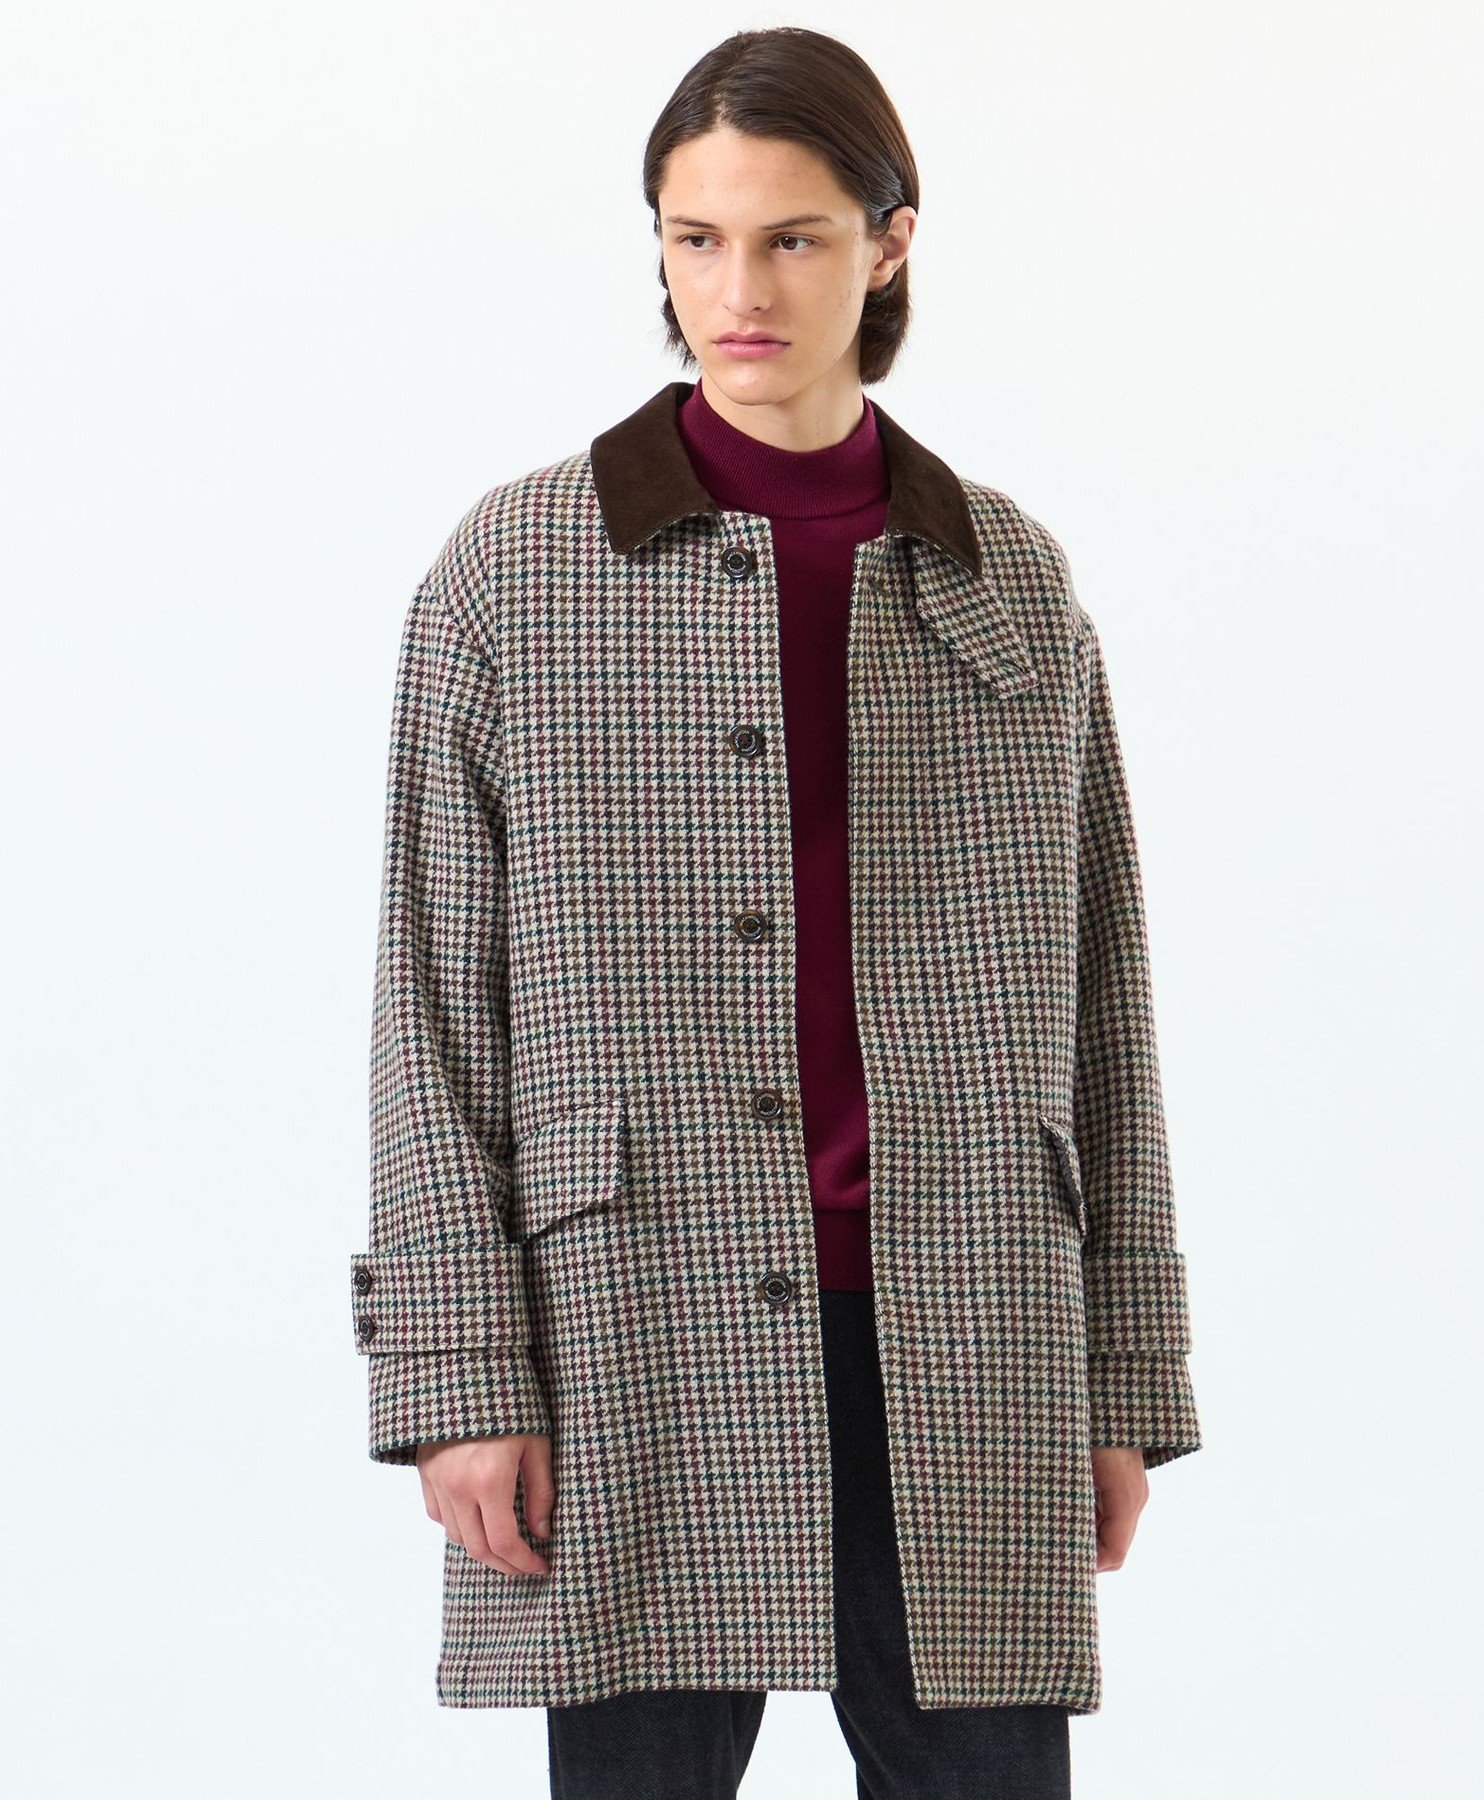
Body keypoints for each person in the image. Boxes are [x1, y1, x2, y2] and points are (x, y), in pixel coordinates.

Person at [349, 26, 1202, 1800]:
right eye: (697, 238)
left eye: (792, 238)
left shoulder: (1009, 580)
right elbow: (431, 1004)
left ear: (890, 243)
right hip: (634, 1324)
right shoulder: (520, 572)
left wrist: (1123, 1373)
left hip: (963, 1324)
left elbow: (1106, 998)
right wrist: (457, 1372)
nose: (737, 291)